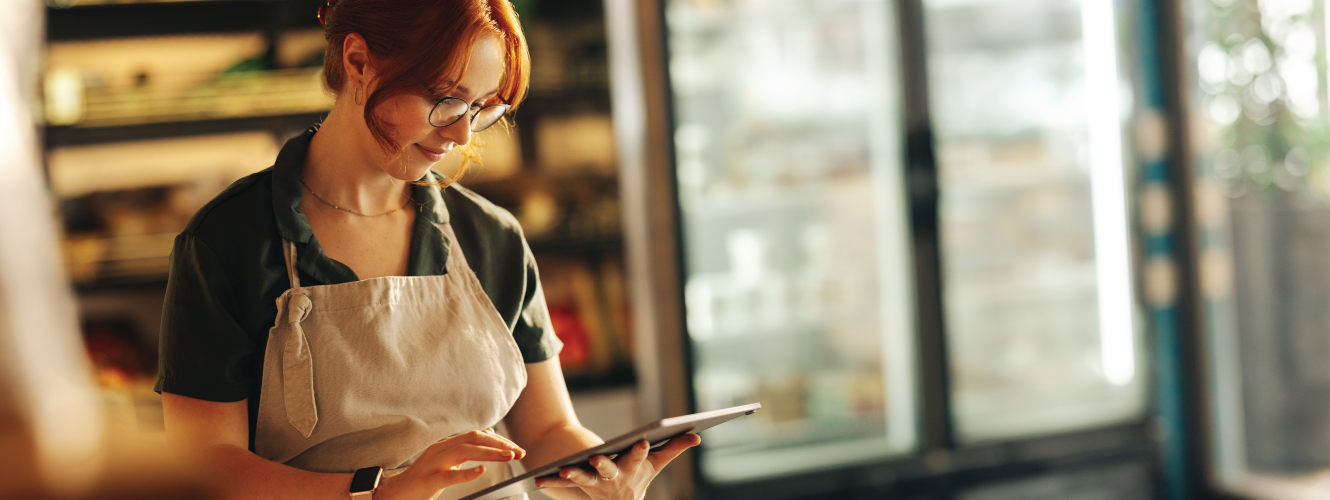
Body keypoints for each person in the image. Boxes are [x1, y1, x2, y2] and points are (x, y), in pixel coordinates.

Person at [155, 1, 698, 499]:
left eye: (482, 107)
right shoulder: (227, 242)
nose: (462, 134)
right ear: (359, 61)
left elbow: (549, 429)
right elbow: (207, 467)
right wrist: (376, 492)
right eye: (446, 100)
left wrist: (604, 473)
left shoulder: (492, 238)